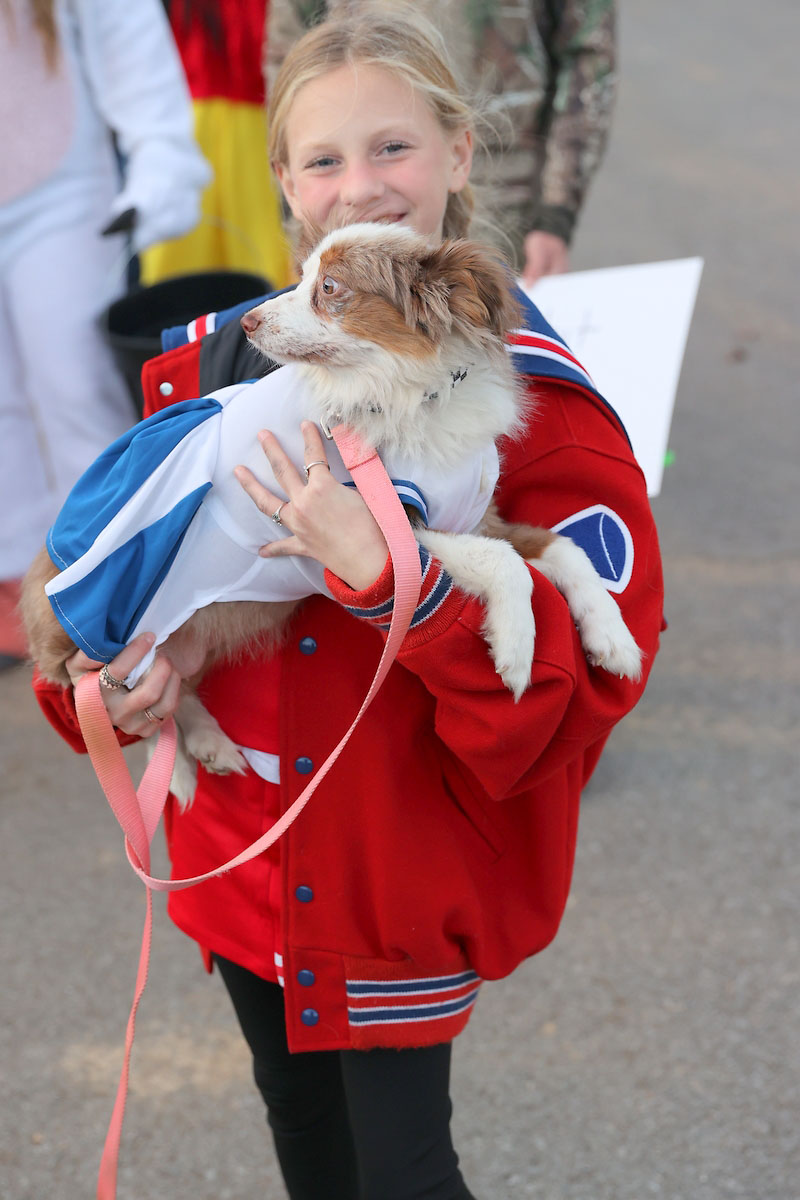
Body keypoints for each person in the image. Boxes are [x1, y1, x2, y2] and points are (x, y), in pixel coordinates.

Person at [31, 7, 664, 1197]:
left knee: (405, 1175)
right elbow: (102, 610)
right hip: (245, 878)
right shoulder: (208, 371)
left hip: (395, 891)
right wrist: (117, 693)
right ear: (281, 179)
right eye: (323, 159)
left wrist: (397, 588)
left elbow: (581, 696)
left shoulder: (545, 412)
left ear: (462, 154)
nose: (359, 188)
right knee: (309, 1158)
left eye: (394, 150)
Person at [0, 0, 209, 666]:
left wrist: (160, 157)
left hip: (57, 186)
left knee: (75, 384)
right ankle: (14, 581)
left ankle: (107, 570)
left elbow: (126, 31)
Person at [265, 0, 618, 286]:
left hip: (508, 195)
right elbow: (287, 54)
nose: (360, 190)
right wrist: (298, 205)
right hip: (336, 211)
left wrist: (556, 212)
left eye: (392, 148)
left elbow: (586, 50)